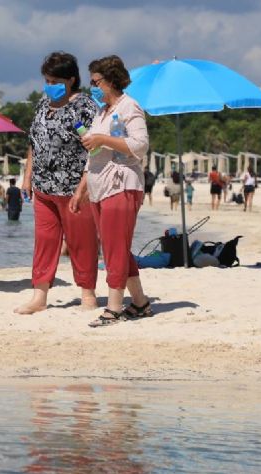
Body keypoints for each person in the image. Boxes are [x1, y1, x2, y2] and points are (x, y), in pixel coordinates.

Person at [15, 51, 100, 314]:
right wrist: (27, 178)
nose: (49, 85)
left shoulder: (84, 106)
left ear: (71, 79)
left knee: (81, 241)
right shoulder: (43, 105)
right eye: (47, 80)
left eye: (54, 81)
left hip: (74, 188)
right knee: (44, 241)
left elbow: (94, 150)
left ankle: (88, 294)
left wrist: (83, 187)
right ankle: (39, 296)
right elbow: (34, 143)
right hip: (43, 188)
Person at [73, 54, 152, 327]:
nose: (92, 87)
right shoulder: (101, 112)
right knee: (115, 247)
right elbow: (93, 155)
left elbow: (140, 145)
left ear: (110, 80)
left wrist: (103, 138)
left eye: (96, 81)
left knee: (114, 250)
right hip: (98, 186)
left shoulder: (130, 107)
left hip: (122, 184)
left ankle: (114, 308)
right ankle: (140, 303)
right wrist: (80, 189)